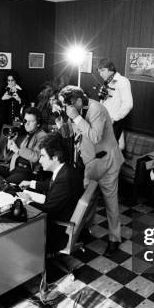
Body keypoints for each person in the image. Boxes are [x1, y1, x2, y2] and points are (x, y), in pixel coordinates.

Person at [57, 85, 124, 255]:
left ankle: (114, 239)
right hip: (90, 163)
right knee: (88, 199)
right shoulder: (75, 111)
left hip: (107, 162)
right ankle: (84, 231)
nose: (68, 109)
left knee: (110, 202)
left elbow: (95, 136)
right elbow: (72, 135)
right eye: (66, 106)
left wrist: (76, 118)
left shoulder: (97, 109)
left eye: (70, 104)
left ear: (79, 100)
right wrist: (62, 121)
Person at [19, 133, 83, 253]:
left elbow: (48, 211)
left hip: (55, 232)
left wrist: (28, 200)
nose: (40, 159)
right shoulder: (66, 170)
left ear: (55, 158)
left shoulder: (64, 180)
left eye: (43, 156)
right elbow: (52, 184)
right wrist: (32, 183)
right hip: (59, 216)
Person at [0, 107, 46, 187]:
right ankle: (1, 182)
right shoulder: (24, 134)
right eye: (26, 120)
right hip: (12, 168)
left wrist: (18, 150)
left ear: (38, 123)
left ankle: (1, 184)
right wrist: (11, 141)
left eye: (31, 121)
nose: (27, 124)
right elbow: (7, 155)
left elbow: (36, 157)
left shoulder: (42, 136)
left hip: (27, 172)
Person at [97, 58, 133, 140]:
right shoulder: (107, 83)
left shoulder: (123, 81)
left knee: (110, 148)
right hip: (104, 121)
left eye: (103, 70)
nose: (100, 74)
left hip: (114, 121)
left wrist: (115, 118)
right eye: (99, 71)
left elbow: (128, 104)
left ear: (111, 69)